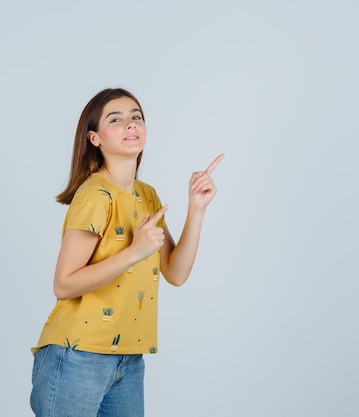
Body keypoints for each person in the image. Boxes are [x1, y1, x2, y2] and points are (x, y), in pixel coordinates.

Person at [30, 88, 223, 417]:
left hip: (129, 359)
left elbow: (175, 273)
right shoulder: (94, 194)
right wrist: (133, 253)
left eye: (136, 117)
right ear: (95, 138)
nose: (130, 124)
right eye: (115, 120)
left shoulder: (147, 195)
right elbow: (63, 284)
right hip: (76, 356)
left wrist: (197, 208)